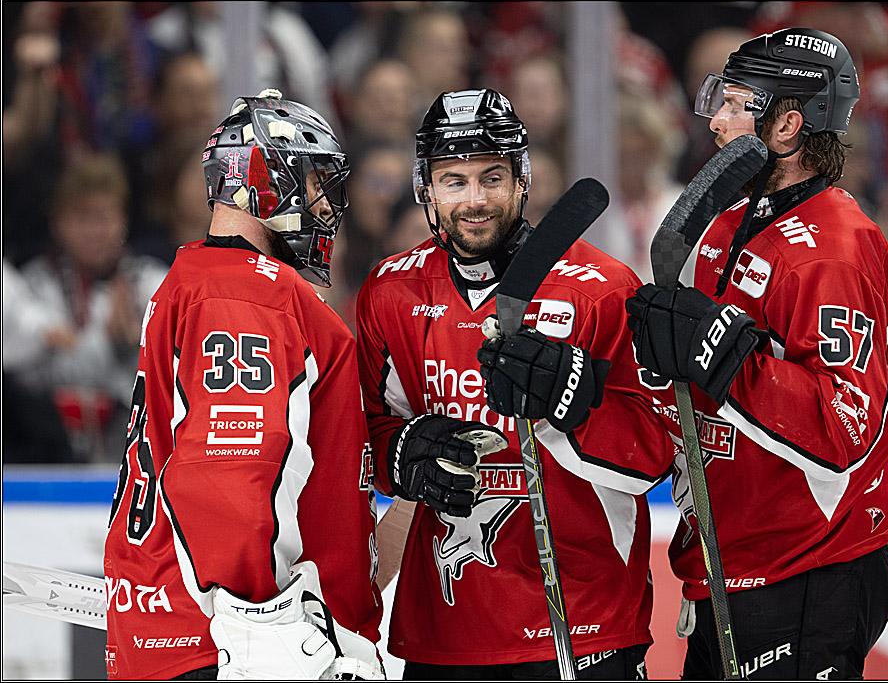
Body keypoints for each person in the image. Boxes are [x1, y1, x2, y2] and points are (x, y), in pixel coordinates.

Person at [356, 88, 678, 679]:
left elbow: (658, 451)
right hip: (444, 632)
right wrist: (403, 455)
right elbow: (369, 435)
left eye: (492, 177)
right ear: (425, 187)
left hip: (581, 625)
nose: (474, 200)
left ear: (523, 178)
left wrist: (573, 403)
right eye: (454, 180)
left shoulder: (601, 290)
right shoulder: (390, 292)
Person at [624, 28, 888, 679]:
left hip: (808, 567)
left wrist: (728, 358)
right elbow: (702, 390)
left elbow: (846, 427)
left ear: (786, 124)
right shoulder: (728, 222)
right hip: (729, 559)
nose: (716, 120)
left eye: (733, 103)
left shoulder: (836, 249)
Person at [103, 89, 383, 680]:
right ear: (267, 183)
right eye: (313, 184)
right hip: (234, 646)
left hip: (182, 631)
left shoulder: (199, 280)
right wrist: (264, 630)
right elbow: (231, 473)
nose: (326, 206)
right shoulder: (247, 296)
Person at [7, 153, 168, 463]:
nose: (95, 230)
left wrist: (122, 349)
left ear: (122, 220)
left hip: (135, 457)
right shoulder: (31, 286)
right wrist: (111, 344)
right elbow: (27, 380)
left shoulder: (151, 282)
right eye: (82, 218)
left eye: (104, 217)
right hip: (47, 455)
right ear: (58, 223)